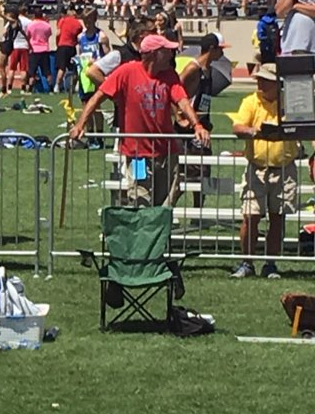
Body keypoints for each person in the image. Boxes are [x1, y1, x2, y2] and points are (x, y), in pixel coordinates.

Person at [70, 34, 210, 207]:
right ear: (154, 54)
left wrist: (197, 125)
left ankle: (156, 233)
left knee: (162, 206)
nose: (172, 55)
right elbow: (97, 98)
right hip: (137, 155)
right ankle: (141, 232)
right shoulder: (126, 72)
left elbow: (182, 101)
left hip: (166, 153)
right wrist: (80, 125)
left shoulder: (169, 75)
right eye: (167, 51)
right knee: (140, 200)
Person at [229, 64, 296, 280]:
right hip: (256, 168)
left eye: (265, 80)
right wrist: (254, 132)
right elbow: (237, 127)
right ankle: (247, 262)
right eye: (259, 79)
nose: (260, 83)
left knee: (278, 218)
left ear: (277, 83)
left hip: (284, 168)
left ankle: (271, 264)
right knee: (250, 216)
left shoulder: (291, 103)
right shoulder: (250, 101)